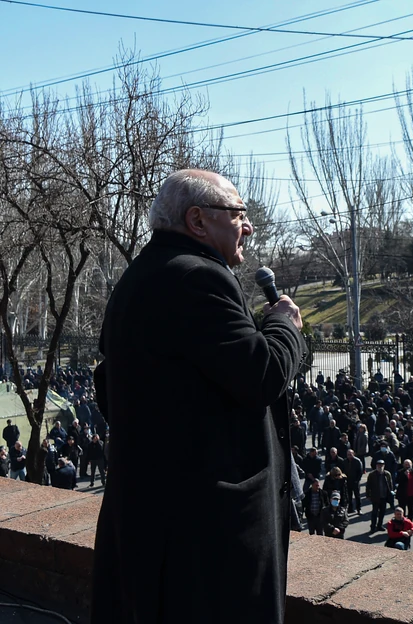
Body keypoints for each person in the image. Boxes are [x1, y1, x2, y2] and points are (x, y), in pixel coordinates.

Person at [91, 170, 306, 624]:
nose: (247, 225)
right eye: (238, 213)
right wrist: (284, 323)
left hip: (155, 520)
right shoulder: (197, 278)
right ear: (197, 220)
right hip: (204, 537)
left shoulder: (141, 276)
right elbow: (262, 375)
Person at [366, 459, 394, 532]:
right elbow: (368, 485)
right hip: (375, 497)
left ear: (384, 466)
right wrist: (368, 495)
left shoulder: (387, 474)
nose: (380, 466)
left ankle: (379, 525)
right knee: (374, 513)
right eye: (378, 465)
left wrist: (390, 493)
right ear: (376, 466)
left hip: (384, 497)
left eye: (381, 465)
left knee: (382, 512)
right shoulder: (372, 474)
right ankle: (373, 526)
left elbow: (390, 484)